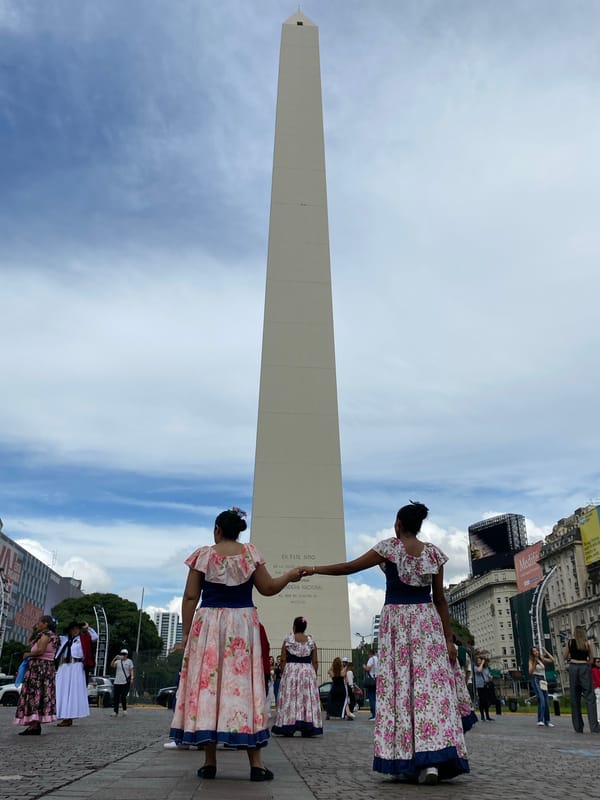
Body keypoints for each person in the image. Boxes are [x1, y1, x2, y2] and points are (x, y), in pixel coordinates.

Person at [305, 501, 469, 785]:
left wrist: (314, 569)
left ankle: (408, 757)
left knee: (401, 691)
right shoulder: (433, 553)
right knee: (428, 692)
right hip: (426, 623)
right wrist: (449, 640)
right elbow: (440, 599)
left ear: (398, 525)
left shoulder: (389, 548)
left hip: (396, 624)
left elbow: (349, 567)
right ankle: (433, 761)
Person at [167, 507, 303, 782]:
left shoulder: (203, 555)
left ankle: (209, 762)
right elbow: (267, 588)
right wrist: (289, 576)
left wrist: (185, 635)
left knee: (208, 687)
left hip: (209, 625)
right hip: (242, 624)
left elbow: (191, 597)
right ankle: (256, 764)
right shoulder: (251, 554)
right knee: (243, 687)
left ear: (217, 529)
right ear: (239, 530)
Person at [271, 616, 323, 737]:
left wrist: (286, 672)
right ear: (305, 628)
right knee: (306, 698)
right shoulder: (311, 641)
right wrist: (312, 674)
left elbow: (283, 658)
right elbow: (315, 661)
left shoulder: (288, 640)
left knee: (291, 698)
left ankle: (288, 724)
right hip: (307, 671)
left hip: (291, 670)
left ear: (294, 627)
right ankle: (307, 725)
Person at [14, 616, 60, 735]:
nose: (37, 625)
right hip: (45, 668)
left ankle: (34, 724)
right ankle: (35, 723)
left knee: (34, 694)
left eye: (39, 623)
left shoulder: (46, 635)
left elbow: (40, 651)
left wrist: (27, 654)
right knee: (40, 695)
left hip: (39, 668)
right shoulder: (52, 636)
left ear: (45, 624)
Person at [55, 620, 98, 727]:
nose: (74, 630)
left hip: (76, 666)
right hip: (63, 666)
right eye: (72, 629)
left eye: (76, 628)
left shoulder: (83, 639)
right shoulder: (64, 639)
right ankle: (63, 714)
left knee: (73, 692)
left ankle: (68, 717)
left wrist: (87, 628)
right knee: (62, 691)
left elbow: (95, 637)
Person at [563, 626, 599, 734]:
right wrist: (586, 664)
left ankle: (578, 727)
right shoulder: (588, 643)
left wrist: (572, 658)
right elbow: (591, 659)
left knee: (575, 697)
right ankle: (594, 726)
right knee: (590, 697)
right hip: (584, 667)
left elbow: (565, 656)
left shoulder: (570, 642)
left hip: (573, 667)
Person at [528, 646, 555, 727]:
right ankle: (540, 720)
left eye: (537, 651)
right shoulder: (531, 661)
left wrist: (545, 651)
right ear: (532, 653)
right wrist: (534, 663)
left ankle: (547, 720)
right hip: (536, 678)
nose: (536, 652)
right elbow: (530, 671)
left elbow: (552, 660)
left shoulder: (541, 659)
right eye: (534, 651)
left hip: (543, 680)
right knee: (541, 699)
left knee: (545, 700)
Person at [111, 648, 135, 716]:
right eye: (122, 654)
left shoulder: (129, 661)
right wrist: (115, 658)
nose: (123, 655)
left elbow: (131, 670)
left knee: (123, 696)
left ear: (127, 655)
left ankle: (124, 710)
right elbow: (112, 665)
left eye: (124, 654)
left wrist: (132, 678)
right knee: (116, 697)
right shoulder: (118, 661)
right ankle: (115, 711)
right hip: (117, 681)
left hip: (125, 681)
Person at [474, 656, 493, 721]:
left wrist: (490, 677)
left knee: (486, 701)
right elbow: (479, 670)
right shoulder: (476, 667)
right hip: (480, 686)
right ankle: (482, 716)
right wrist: (482, 663)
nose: (478, 662)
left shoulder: (486, 668)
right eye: (478, 661)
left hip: (486, 685)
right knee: (482, 701)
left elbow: (488, 675)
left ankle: (487, 716)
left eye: (480, 660)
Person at [363, 649, 378, 720]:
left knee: (372, 698)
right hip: (377, 679)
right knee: (376, 697)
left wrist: (364, 667)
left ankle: (374, 714)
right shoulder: (377, 659)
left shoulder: (371, 659)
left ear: (370, 654)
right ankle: (377, 713)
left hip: (371, 680)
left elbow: (368, 669)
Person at [592, 657, 600, 721]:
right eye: (597, 662)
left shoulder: (598, 669)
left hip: (598, 688)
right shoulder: (594, 669)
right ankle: (598, 719)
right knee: (598, 705)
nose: (599, 663)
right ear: (594, 663)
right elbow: (597, 680)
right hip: (597, 688)